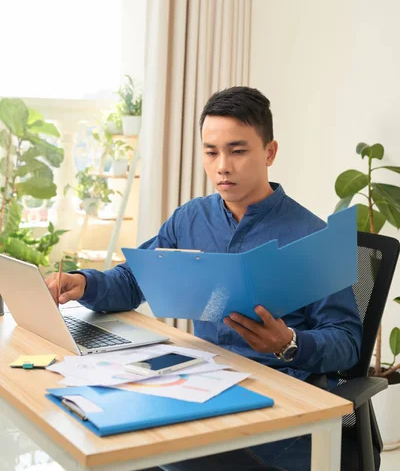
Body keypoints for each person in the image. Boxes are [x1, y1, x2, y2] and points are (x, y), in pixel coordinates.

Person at [46, 86, 362, 471]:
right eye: (211, 152)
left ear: (270, 152)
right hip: (203, 386)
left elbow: (347, 343)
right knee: (102, 436)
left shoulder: (312, 236)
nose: (222, 166)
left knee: (150, 459)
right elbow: (134, 281)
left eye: (238, 150)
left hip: (277, 413)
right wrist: (85, 283)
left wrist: (289, 343)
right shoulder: (191, 217)